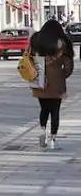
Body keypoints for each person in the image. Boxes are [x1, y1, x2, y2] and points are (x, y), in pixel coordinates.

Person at [30, 19, 74, 150]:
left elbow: (30, 57)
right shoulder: (62, 42)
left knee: (44, 109)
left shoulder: (36, 39)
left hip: (39, 78)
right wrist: (62, 75)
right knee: (55, 111)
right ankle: (52, 140)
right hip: (57, 81)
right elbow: (68, 66)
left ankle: (42, 131)